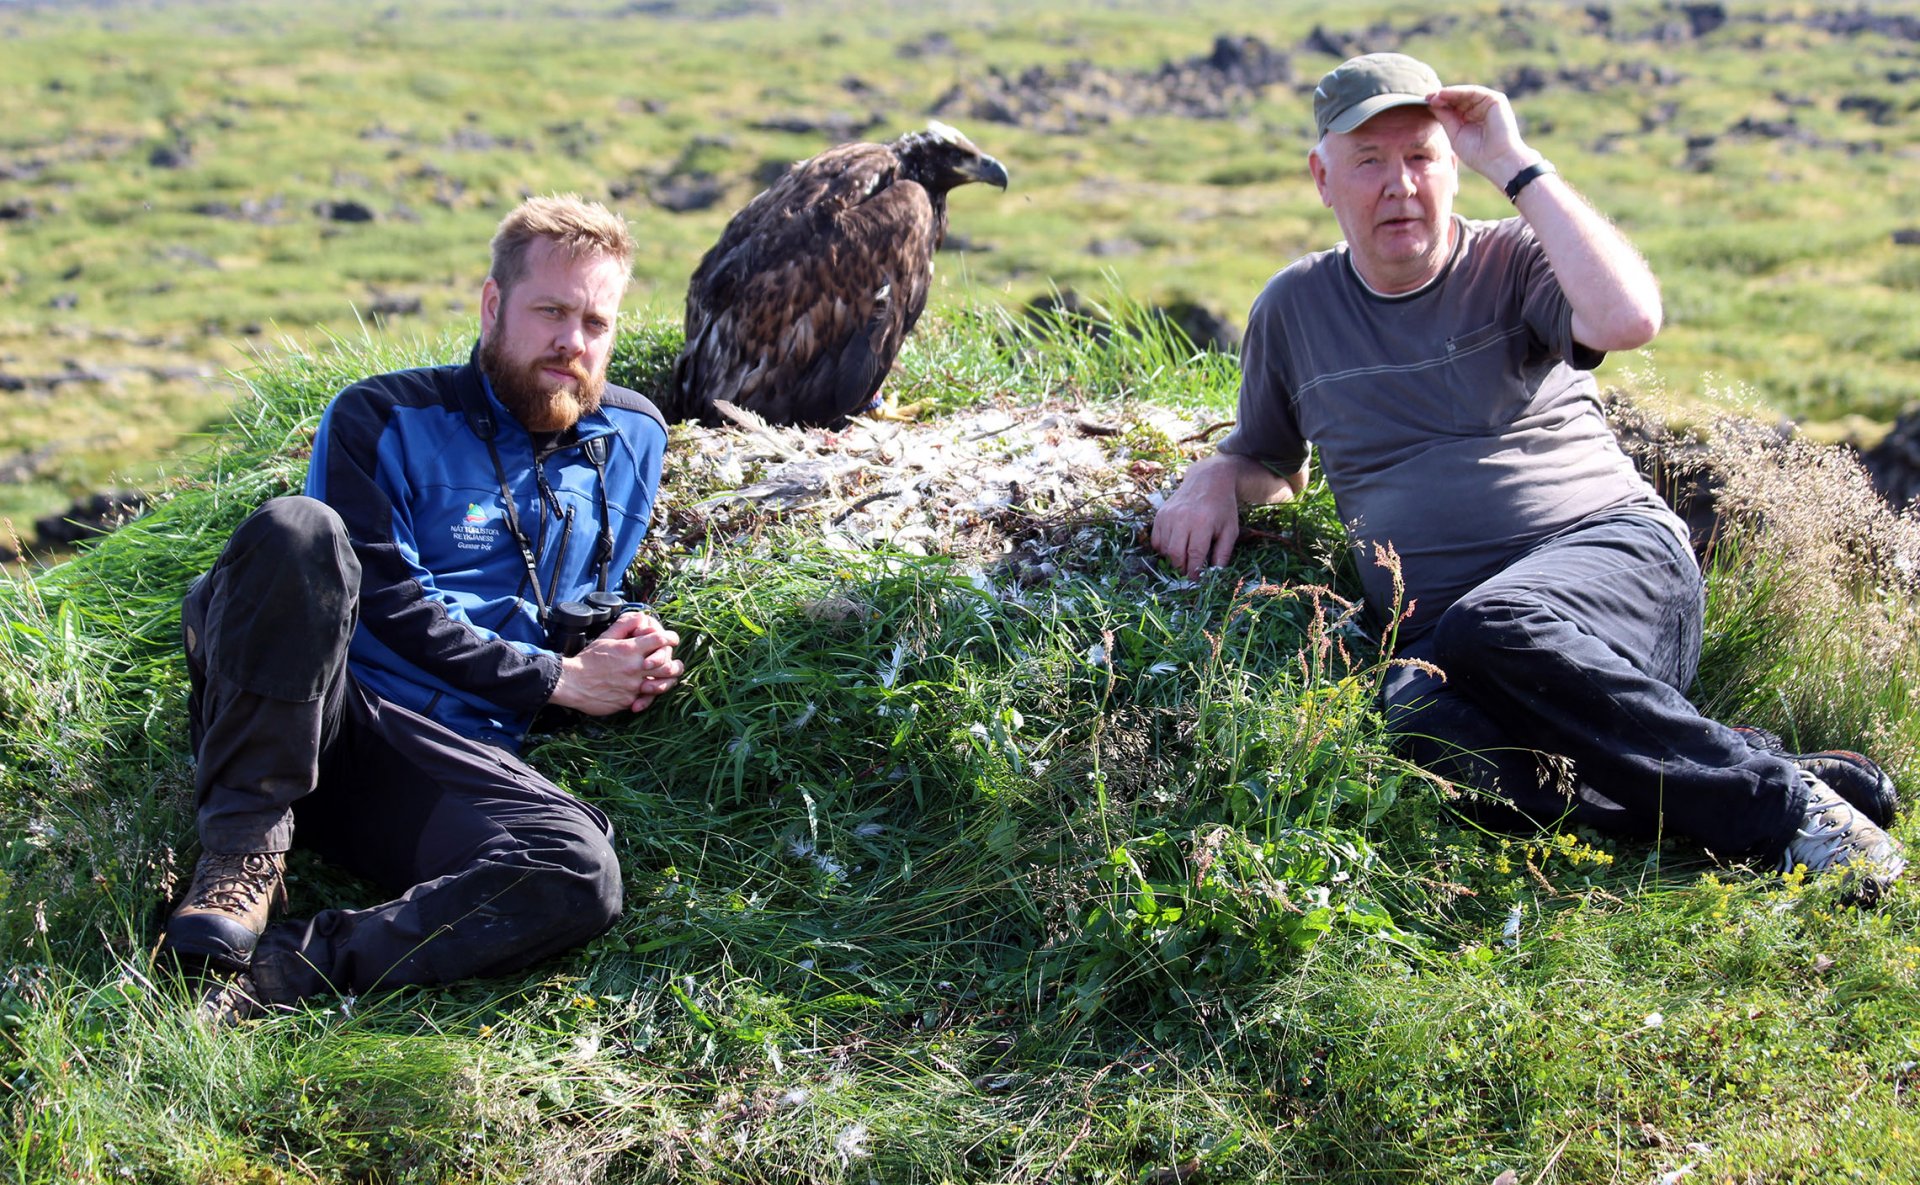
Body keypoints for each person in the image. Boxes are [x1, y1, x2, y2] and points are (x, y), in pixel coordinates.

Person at [1151, 53, 1906, 899]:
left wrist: (1514, 162)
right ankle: (1746, 767)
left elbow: (1629, 318)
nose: (1400, 185)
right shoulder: (1293, 308)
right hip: (1467, 650)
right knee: (1416, 719)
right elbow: (1271, 464)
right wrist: (1217, 473)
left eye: (1422, 157)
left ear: (1453, 167)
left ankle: (1786, 811)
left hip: (1618, 568)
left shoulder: (1514, 258)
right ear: (1323, 178)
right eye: (1369, 161)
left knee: (1492, 622)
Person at [163, 194, 685, 1017]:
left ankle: (282, 973)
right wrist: (557, 678)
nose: (573, 341)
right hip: (321, 710)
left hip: (443, 758)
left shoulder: (636, 437)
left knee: (579, 870)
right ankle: (241, 858)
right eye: (550, 312)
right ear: (492, 304)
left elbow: (583, 588)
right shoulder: (380, 417)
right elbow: (386, 603)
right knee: (297, 531)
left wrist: (623, 641)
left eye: (596, 321)